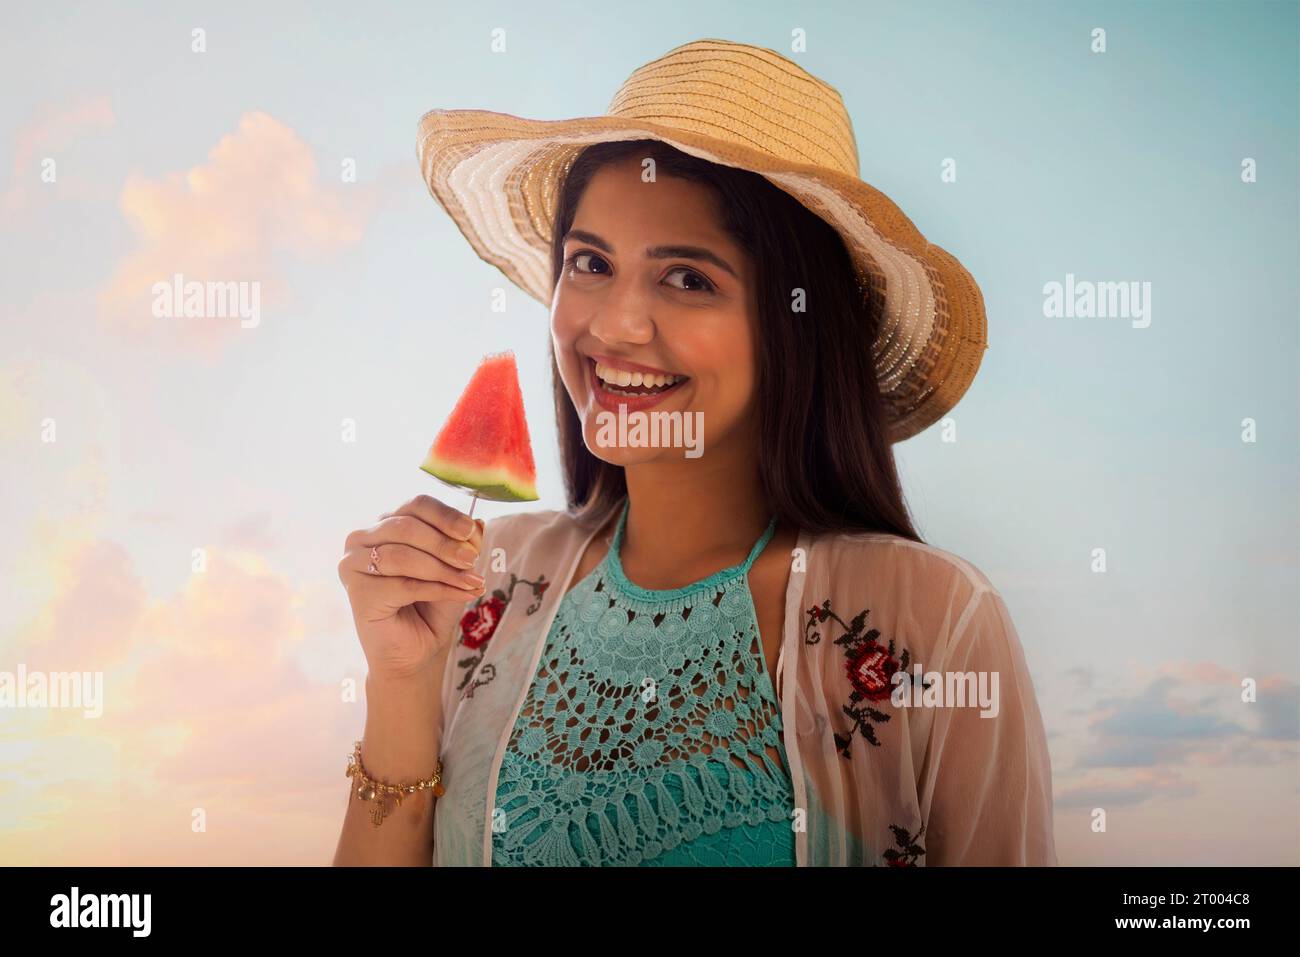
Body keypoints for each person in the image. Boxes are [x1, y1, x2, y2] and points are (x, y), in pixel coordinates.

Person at [333, 38, 1056, 867]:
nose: (614, 326)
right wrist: (401, 681)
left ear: (794, 322)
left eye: (687, 279)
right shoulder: (483, 582)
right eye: (590, 263)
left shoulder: (937, 622)